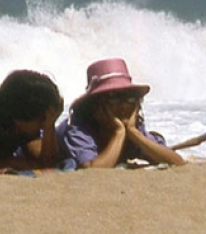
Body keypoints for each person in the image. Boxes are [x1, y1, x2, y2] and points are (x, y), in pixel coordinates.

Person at [56, 57, 185, 169]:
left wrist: (134, 133)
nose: (123, 105)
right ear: (95, 104)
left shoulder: (133, 127)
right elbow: (93, 170)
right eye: (114, 98)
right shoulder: (79, 128)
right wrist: (119, 133)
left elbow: (176, 161)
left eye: (130, 98)